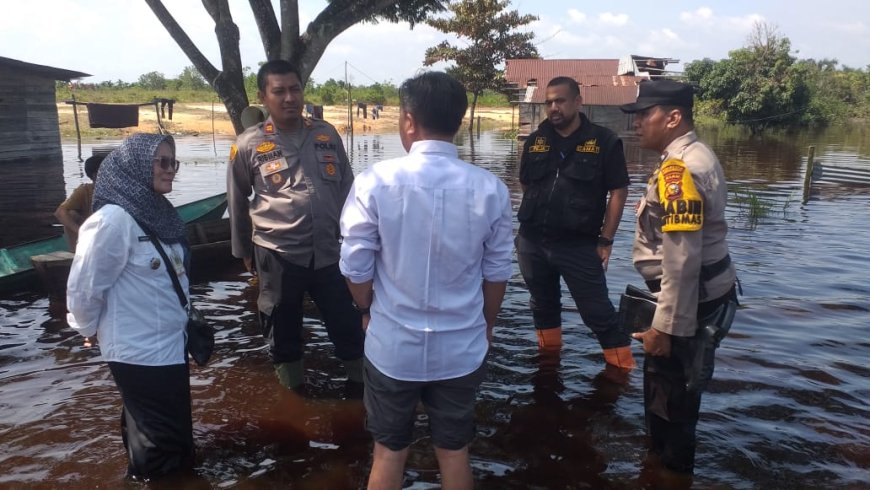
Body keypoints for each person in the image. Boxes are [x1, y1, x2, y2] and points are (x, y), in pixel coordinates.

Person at [339, 71, 513, 489]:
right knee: (454, 452)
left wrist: (365, 309)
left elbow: (355, 266)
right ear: (459, 120)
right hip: (461, 347)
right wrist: (487, 324)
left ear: (408, 121)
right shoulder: (490, 189)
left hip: (392, 344)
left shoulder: (375, 181)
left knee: (388, 452)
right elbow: (497, 272)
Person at [621, 79, 738, 478]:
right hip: (700, 296)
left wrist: (664, 329)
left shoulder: (681, 169)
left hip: (687, 305)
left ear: (673, 118)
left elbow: (682, 261)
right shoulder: (690, 155)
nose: (637, 123)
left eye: (644, 115)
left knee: (670, 408)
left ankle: (669, 476)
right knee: (676, 402)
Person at [227, 60, 364, 391]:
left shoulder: (326, 134)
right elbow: (236, 199)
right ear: (263, 97)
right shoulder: (247, 144)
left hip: (329, 251)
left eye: (295, 89)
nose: (289, 98)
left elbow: (348, 188)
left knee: (346, 322)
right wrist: (244, 251)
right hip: (277, 253)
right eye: (279, 91)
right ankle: (294, 393)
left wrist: (358, 239)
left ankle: (362, 387)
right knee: (283, 327)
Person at [66, 133, 194, 480]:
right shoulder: (111, 221)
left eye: (173, 162)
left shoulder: (156, 212)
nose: (170, 169)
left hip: (170, 346)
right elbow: (84, 287)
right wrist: (86, 328)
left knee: (170, 439)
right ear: (134, 166)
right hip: (139, 353)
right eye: (161, 162)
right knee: (160, 450)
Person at [515, 76, 634, 369]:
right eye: (548, 102)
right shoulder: (536, 140)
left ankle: (622, 374)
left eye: (560, 101)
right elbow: (526, 182)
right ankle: (548, 366)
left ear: (578, 102)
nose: (553, 108)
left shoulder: (603, 141)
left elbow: (618, 191)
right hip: (532, 242)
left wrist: (606, 240)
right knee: (542, 307)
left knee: (598, 314)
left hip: (578, 245)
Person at [54, 154, 104, 251]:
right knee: (71, 214)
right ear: (95, 175)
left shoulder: (116, 189)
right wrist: (80, 232)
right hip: (91, 232)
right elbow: (60, 212)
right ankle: (75, 252)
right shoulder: (85, 190)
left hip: (107, 230)